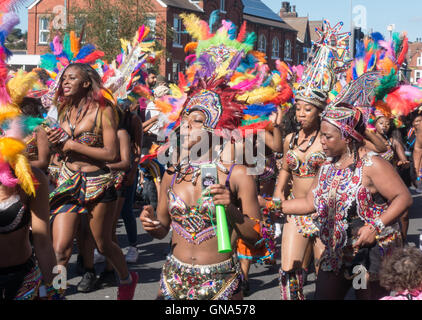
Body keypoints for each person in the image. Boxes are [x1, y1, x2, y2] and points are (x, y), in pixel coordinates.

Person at [140, 15, 268, 300]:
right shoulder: (172, 173)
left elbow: (258, 239)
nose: (186, 125)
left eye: (196, 121)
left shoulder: (237, 174)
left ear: (217, 129)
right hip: (173, 279)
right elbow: (162, 229)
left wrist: (231, 210)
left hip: (222, 282)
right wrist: (151, 224)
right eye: (185, 118)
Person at [276, 100, 412, 299]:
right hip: (336, 251)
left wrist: (375, 226)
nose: (321, 141)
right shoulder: (326, 167)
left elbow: (404, 198)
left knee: (365, 296)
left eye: (328, 136)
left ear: (347, 138)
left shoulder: (372, 164)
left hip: (370, 252)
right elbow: (309, 203)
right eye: (322, 135)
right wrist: (273, 206)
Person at [46, 63, 138, 299]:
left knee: (103, 245)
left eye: (71, 78)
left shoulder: (103, 111)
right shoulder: (64, 110)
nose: (64, 82)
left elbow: (110, 153)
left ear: (86, 83)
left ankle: (127, 279)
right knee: (60, 250)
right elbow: (62, 149)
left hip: (97, 182)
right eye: (64, 78)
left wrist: (72, 144)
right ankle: (58, 292)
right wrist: (56, 143)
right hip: (68, 181)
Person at [373, 110, 410, 240]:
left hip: (392, 183)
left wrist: (403, 162)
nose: (384, 126)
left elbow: (403, 158)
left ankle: (403, 242)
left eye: (387, 124)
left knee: (404, 214)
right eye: (381, 123)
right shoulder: (368, 142)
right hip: (375, 185)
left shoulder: (393, 142)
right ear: (375, 125)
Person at [19, 97, 50, 172]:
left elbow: (43, 163)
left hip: (34, 177)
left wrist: (18, 166)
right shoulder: (9, 131)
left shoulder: (39, 130)